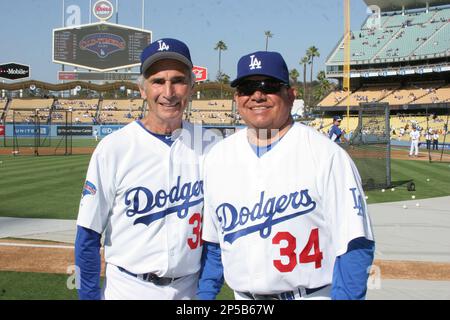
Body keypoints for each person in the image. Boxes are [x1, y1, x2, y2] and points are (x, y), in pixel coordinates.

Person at [197, 51, 375, 300]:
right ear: (237, 99)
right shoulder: (218, 158)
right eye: (247, 88)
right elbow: (214, 245)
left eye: (269, 86)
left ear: (290, 96)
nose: (257, 95)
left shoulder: (326, 155)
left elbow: (355, 244)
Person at [75, 38, 208, 300]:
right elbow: (87, 235)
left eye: (178, 80)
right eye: (158, 81)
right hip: (128, 288)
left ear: (191, 87)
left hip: (189, 290)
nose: (168, 92)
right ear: (142, 89)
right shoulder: (114, 148)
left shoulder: (211, 146)